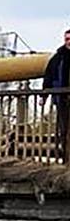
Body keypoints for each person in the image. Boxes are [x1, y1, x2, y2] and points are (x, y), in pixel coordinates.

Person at [42, 29, 70, 160]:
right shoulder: (58, 58)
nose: (68, 41)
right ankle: (64, 158)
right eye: (67, 39)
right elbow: (49, 77)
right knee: (63, 129)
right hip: (62, 99)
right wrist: (44, 96)